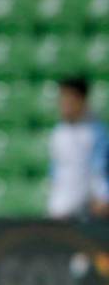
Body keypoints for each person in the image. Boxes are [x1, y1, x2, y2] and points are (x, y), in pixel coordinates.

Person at [48, 77, 109, 219]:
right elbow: (55, 170)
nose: (65, 105)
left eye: (70, 100)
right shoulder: (58, 133)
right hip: (59, 208)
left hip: (87, 211)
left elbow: (100, 170)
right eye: (62, 100)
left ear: (82, 101)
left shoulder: (95, 133)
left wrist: (104, 196)